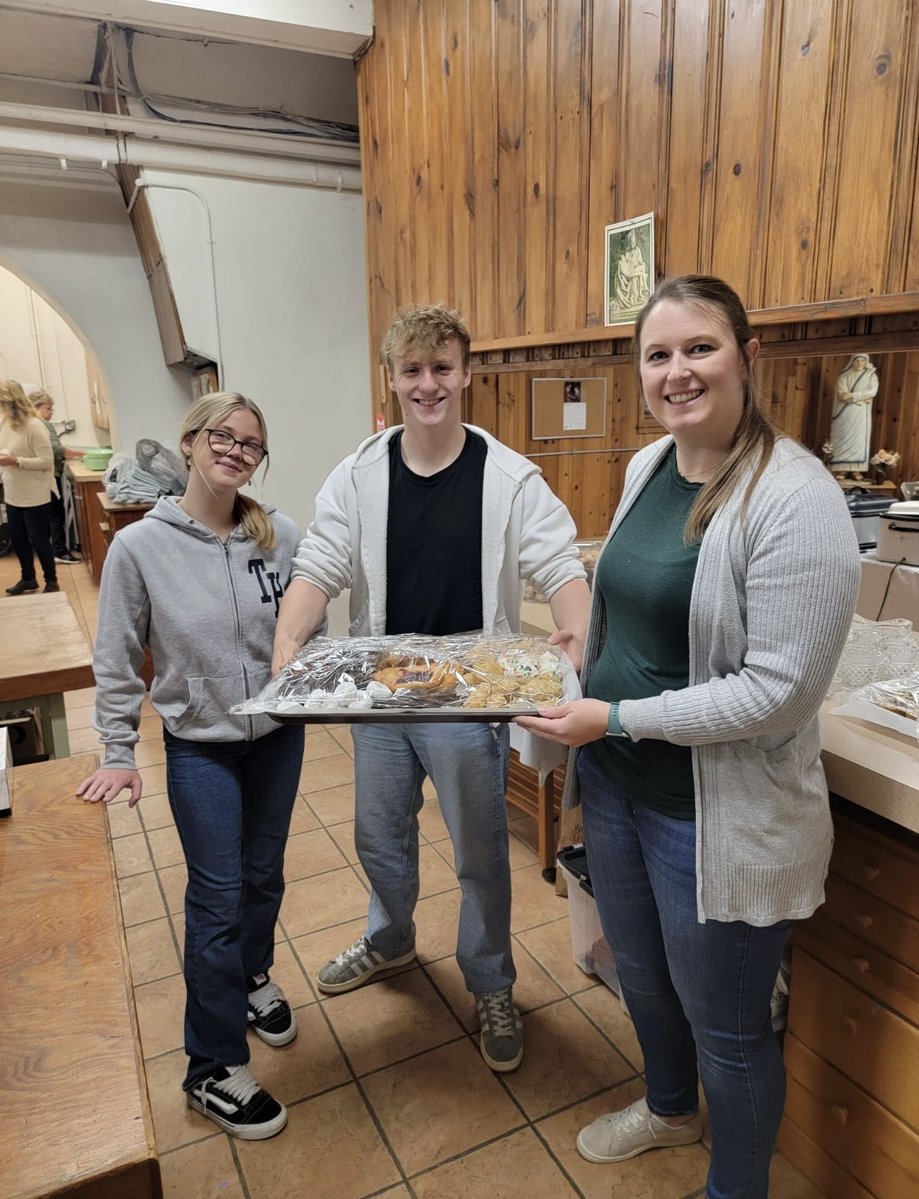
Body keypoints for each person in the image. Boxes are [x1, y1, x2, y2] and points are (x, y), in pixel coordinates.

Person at [516, 275, 860, 1198]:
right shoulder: (647, 467)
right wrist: (583, 649)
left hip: (717, 822)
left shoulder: (796, 498)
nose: (678, 371)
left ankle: (732, 1188)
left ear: (749, 357)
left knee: (733, 1032)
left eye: (699, 347)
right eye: (658, 354)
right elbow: (629, 608)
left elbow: (778, 693)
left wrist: (618, 715)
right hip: (622, 790)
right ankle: (670, 1111)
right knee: (641, 978)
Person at [273, 303, 590, 1073]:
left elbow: (561, 565)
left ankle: (489, 980)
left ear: (466, 374)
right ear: (390, 380)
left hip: (466, 698)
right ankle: (389, 939)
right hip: (382, 694)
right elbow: (321, 563)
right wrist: (288, 642)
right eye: (412, 370)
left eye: (441, 368)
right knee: (379, 835)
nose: (428, 384)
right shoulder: (358, 472)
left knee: (481, 854)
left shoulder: (508, 476)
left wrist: (574, 642)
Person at [77, 392, 305, 1141]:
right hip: (200, 746)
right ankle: (211, 1067)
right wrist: (118, 748)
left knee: (265, 875)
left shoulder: (280, 537)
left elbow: (309, 629)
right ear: (190, 442)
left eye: (250, 444)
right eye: (223, 436)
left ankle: (249, 976)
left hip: (276, 737)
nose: (236, 451)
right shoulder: (144, 547)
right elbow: (114, 657)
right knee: (216, 898)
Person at [0, 379, 58, 595]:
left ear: (12, 404)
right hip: (13, 492)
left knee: (38, 539)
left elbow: (46, 462)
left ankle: (51, 580)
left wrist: (16, 461)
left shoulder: (35, 426)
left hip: (36, 494)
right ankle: (28, 579)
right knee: (18, 538)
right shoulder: (4, 423)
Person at [30, 388, 83, 564]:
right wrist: (79, 453)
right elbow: (55, 448)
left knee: (47, 514)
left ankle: (51, 550)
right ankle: (59, 551)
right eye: (48, 408)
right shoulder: (42, 424)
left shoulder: (29, 423)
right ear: (36, 407)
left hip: (38, 478)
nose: (51, 412)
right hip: (50, 475)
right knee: (56, 514)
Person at [829, 352, 879, 479]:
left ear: (866, 362)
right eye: (857, 361)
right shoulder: (844, 376)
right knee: (844, 437)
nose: (859, 363)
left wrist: (853, 395)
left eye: (862, 361)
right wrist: (861, 398)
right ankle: (842, 470)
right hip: (845, 413)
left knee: (859, 438)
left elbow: (872, 391)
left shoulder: (870, 376)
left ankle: (857, 470)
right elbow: (842, 395)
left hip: (861, 413)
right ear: (852, 361)